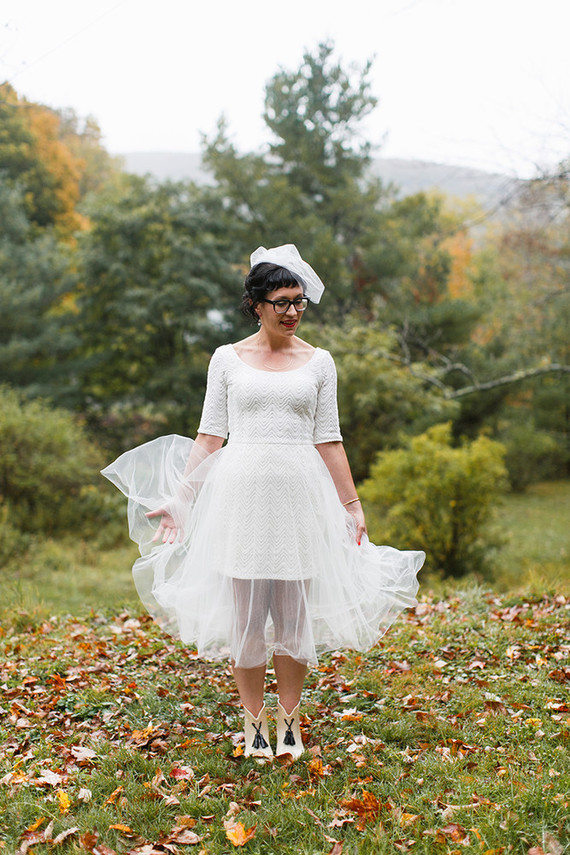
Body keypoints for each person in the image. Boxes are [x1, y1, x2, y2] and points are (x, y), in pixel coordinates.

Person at [102, 244, 424, 760]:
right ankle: (254, 722)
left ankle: (289, 720)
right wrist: (182, 498)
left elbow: (330, 439)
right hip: (241, 496)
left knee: (293, 615)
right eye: (281, 302)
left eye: (299, 301)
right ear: (256, 304)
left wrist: (351, 504)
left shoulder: (320, 362)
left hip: (301, 496)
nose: (293, 311)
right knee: (248, 617)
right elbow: (210, 436)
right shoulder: (227, 359)